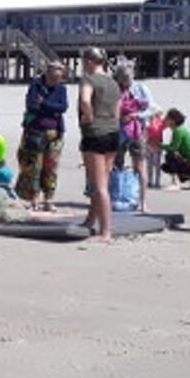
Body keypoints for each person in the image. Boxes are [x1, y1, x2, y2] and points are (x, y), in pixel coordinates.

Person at [77, 47, 122, 242]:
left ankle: (106, 231)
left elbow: (86, 100)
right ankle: (90, 219)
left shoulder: (88, 79)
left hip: (95, 133)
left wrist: (88, 116)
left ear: (89, 61)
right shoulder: (113, 82)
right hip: (112, 133)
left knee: (99, 185)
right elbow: (118, 108)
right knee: (99, 180)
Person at [13, 60, 69, 211]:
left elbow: (63, 107)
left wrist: (45, 104)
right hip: (35, 132)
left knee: (51, 168)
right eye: (53, 78)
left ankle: (49, 199)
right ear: (48, 73)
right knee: (34, 167)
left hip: (55, 133)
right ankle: (34, 199)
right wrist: (51, 109)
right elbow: (32, 106)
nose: (55, 81)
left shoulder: (61, 89)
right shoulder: (36, 86)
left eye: (58, 78)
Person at [114, 62, 154, 212]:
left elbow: (152, 108)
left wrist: (135, 115)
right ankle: (117, 195)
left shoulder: (140, 88)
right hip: (118, 130)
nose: (125, 81)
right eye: (122, 77)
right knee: (115, 164)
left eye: (127, 77)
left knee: (140, 166)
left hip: (137, 131)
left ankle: (143, 201)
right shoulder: (115, 89)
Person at [159, 108, 190, 187]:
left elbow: (173, 148)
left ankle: (176, 182)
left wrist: (158, 145)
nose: (164, 120)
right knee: (167, 164)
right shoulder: (180, 129)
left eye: (167, 118)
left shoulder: (178, 131)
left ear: (172, 121)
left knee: (170, 156)